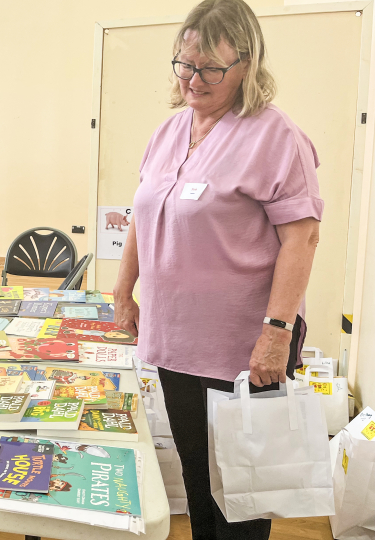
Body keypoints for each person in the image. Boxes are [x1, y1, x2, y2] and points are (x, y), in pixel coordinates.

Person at [112, 1, 322, 539]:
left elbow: (301, 237)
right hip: (175, 340)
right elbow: (142, 212)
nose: (193, 79)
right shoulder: (168, 132)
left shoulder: (276, 137)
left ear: (247, 65)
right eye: (184, 64)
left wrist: (276, 333)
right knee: (199, 483)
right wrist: (123, 290)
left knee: (243, 498)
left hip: (243, 349)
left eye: (210, 68)